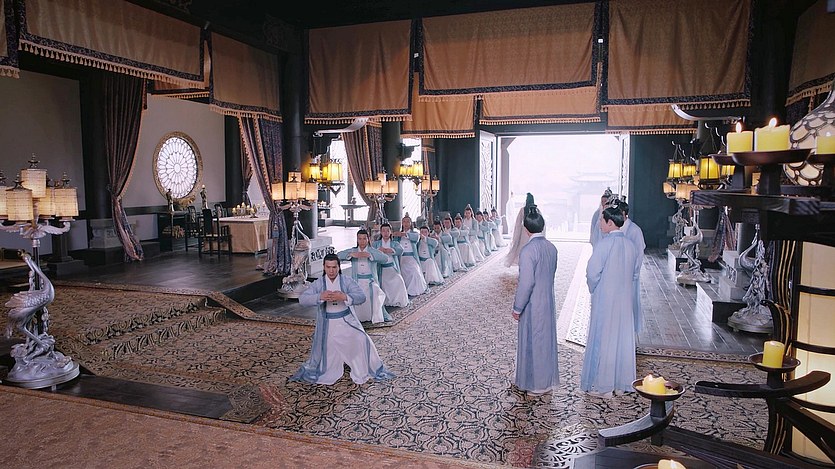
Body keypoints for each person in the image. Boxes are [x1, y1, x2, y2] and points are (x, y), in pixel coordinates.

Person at [289, 254, 394, 385]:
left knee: (362, 339)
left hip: (346, 321)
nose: (331, 271)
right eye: (328, 267)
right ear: (324, 267)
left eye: (334, 267)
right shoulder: (319, 283)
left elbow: (361, 297)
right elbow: (303, 299)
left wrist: (344, 297)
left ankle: (360, 366)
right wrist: (320, 296)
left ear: (339, 267)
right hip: (328, 326)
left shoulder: (346, 281)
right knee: (328, 360)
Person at [581, 206, 639, 398]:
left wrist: (593, 287)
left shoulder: (604, 244)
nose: (599, 223)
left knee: (604, 338)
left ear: (610, 223)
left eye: (601, 220)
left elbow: (592, 272)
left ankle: (603, 386)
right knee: (621, 339)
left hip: (606, 298)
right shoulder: (630, 245)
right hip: (625, 299)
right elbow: (634, 272)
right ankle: (621, 384)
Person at [511, 202, 559, 396]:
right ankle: (546, 381)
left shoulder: (528, 251)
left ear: (526, 229)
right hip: (548, 299)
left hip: (533, 302)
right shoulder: (552, 248)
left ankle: (535, 384)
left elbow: (526, 283)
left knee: (534, 340)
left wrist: (517, 307)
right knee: (545, 340)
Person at [337, 230, 390, 324]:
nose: (362, 241)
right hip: (357, 281)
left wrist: (370, 255)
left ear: (368, 239)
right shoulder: (353, 251)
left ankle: (373, 316)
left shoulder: (372, 251)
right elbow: (338, 255)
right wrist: (350, 255)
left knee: (374, 293)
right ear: (357, 240)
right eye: (360, 239)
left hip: (370, 281)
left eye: (364, 239)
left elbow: (385, 258)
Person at [616, 199, 645, 334]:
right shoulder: (617, 228)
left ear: (624, 213)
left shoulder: (635, 230)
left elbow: (639, 253)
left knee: (630, 301)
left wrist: (635, 272)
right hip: (618, 273)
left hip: (630, 273)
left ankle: (630, 329)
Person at [371, 223, 410, 308]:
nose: (385, 233)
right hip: (382, 270)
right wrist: (378, 251)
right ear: (381, 232)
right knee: (382, 284)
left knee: (399, 281)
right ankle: (385, 301)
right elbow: (371, 252)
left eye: (387, 231)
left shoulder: (394, 243)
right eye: (383, 231)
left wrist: (390, 250)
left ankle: (398, 300)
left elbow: (400, 250)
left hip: (392, 268)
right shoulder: (376, 244)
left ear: (390, 232)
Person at [392, 214, 429, 296]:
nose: (406, 224)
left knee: (415, 271)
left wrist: (404, 234)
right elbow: (394, 244)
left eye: (408, 222)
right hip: (401, 258)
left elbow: (415, 238)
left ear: (411, 223)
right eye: (404, 222)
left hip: (411, 257)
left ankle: (413, 290)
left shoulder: (414, 233)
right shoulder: (398, 235)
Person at [504, 193, 535, 267]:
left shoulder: (523, 210)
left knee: (523, 247)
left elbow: (518, 223)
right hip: (533, 230)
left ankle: (523, 262)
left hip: (524, 231)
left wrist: (517, 234)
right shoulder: (536, 210)